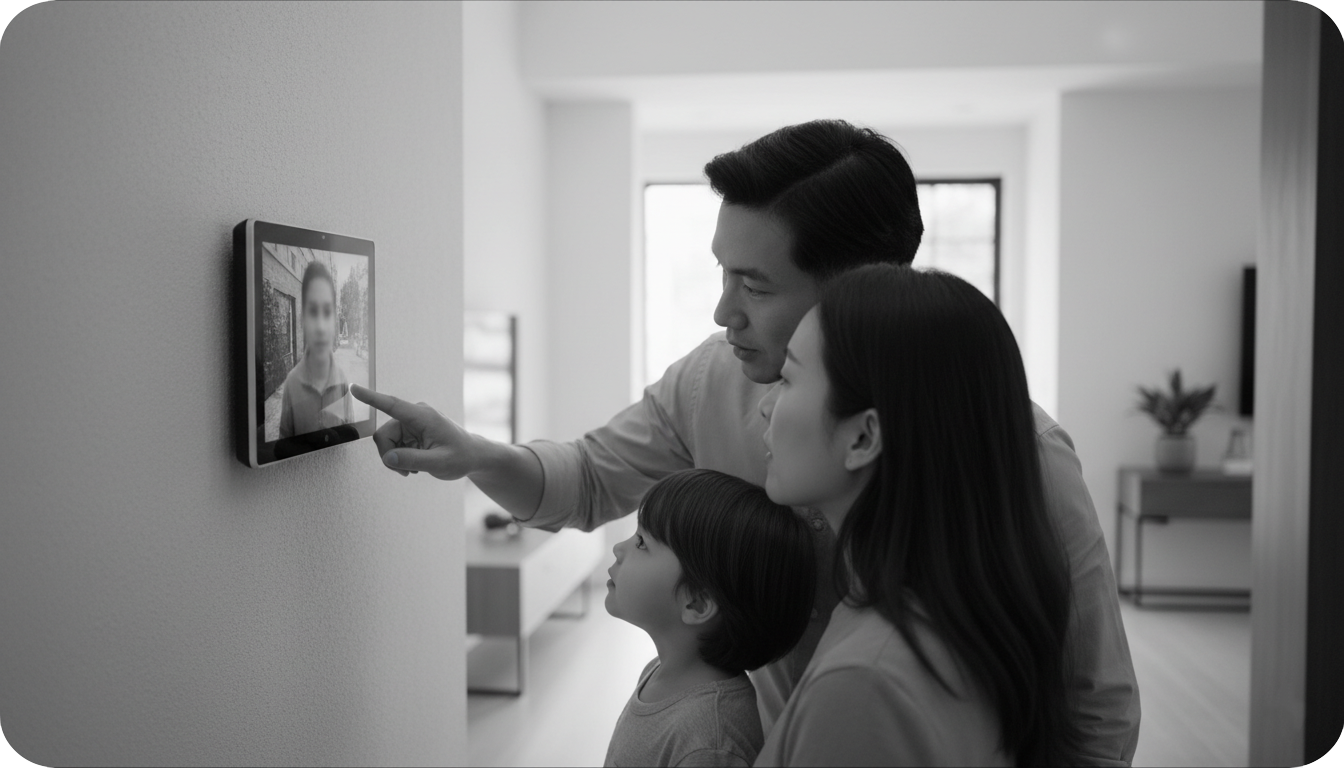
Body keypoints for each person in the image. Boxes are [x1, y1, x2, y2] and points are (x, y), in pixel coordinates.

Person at [351, 119, 1140, 765]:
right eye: (722, 273)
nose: (722, 312)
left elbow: (1094, 708)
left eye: (755, 285)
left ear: (863, 287)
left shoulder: (1020, 456)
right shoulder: (711, 381)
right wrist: (476, 455)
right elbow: (588, 478)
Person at [754, 264, 1079, 766]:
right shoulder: (964, 613)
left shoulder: (864, 685)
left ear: (863, 437)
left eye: (790, 378)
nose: (765, 407)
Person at [602, 469, 816, 768]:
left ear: (698, 604)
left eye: (642, 543)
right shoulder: (660, 671)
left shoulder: (710, 744)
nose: (618, 548)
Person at [279, 260, 354, 438]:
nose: (320, 326)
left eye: (327, 312)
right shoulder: (291, 384)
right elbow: (283, 450)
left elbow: (350, 441)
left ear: (335, 319)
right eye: (313, 311)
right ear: (302, 318)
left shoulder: (343, 381)